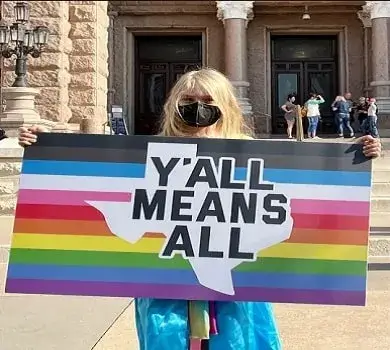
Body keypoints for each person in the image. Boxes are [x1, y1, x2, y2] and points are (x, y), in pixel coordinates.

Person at [19, 68, 382, 350]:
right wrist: (41, 146)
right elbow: (95, 182)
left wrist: (358, 153)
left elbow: (306, 194)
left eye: (207, 99)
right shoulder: (147, 155)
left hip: (239, 286)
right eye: (189, 99)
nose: (198, 106)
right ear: (175, 105)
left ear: (224, 104)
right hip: (163, 284)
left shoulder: (253, 155)